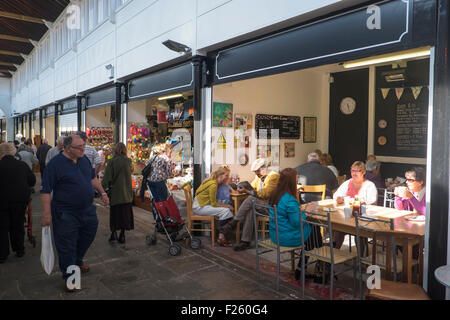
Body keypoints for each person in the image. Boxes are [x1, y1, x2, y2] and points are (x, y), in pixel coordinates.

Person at [40, 134, 109, 292]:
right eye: (79, 147)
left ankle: (77, 260)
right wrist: (46, 213)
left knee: (88, 235)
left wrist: (103, 193)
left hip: (87, 210)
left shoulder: (84, 159)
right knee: (67, 246)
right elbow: (45, 190)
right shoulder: (55, 165)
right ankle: (71, 280)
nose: (83, 149)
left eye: (84, 146)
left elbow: (92, 179)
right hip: (65, 213)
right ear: (67, 148)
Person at [221, 158, 280, 251]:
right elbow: (253, 187)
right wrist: (243, 188)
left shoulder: (273, 176)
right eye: (255, 171)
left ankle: (234, 222)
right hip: (260, 205)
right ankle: (245, 242)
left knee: (251, 199)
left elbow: (265, 194)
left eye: (257, 171)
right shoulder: (259, 176)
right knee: (250, 208)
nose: (256, 173)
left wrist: (247, 191)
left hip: (272, 207)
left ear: (264, 168)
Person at [0, 143, 36, 263]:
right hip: (20, 200)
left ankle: (3, 254)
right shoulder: (22, 165)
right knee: (18, 223)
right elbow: (32, 181)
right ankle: (19, 249)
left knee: (2, 227)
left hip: (2, 201)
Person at [333, 161, 378, 248]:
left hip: (363, 216)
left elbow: (372, 200)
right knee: (339, 228)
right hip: (347, 215)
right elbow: (336, 195)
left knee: (359, 231)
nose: (354, 173)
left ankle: (360, 258)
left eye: (357, 171)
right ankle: (334, 254)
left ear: (363, 172)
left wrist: (361, 202)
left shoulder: (369, 185)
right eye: (353, 171)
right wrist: (339, 198)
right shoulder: (347, 183)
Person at [193, 165, 235, 247]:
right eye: (226, 175)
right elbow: (214, 204)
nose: (228, 178)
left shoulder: (212, 182)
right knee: (226, 211)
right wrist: (227, 206)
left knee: (226, 211)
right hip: (200, 207)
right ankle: (221, 237)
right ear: (220, 175)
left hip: (200, 204)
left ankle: (221, 236)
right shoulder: (213, 185)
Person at [101, 142, 134, 244]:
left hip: (115, 193)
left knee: (115, 214)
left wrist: (101, 190)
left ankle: (114, 233)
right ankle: (122, 235)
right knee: (125, 214)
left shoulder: (112, 162)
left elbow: (107, 178)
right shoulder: (129, 161)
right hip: (127, 194)